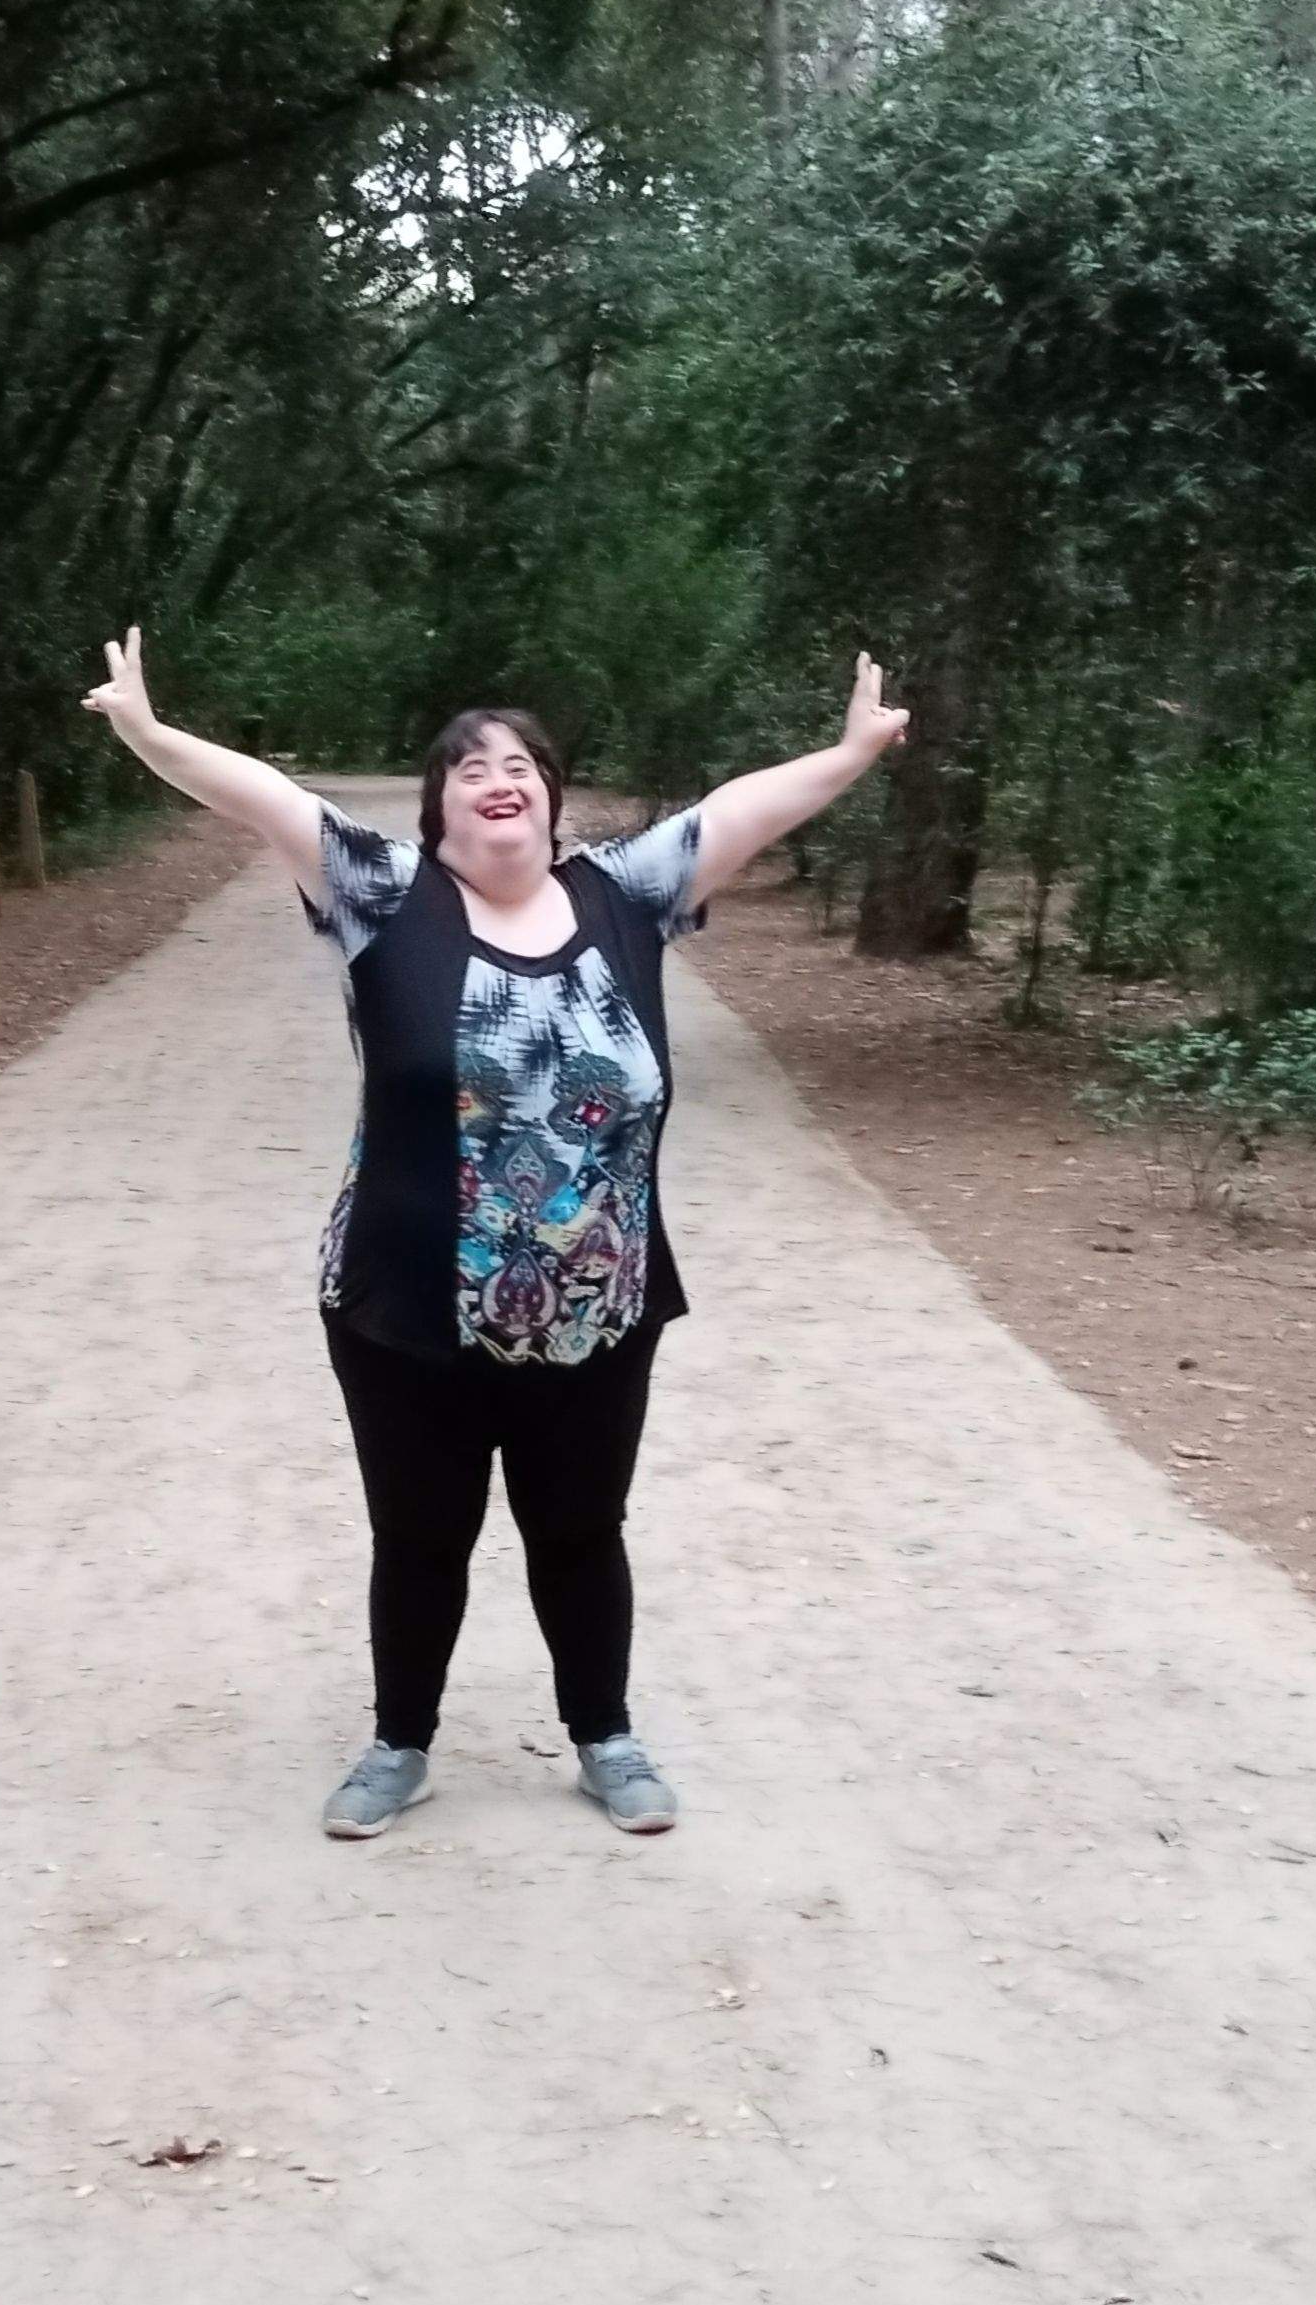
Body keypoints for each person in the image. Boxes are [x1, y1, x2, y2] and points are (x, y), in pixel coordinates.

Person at [81, 628, 908, 1837]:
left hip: (600, 1306)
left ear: (551, 798)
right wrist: (149, 733)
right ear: (439, 810)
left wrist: (849, 753)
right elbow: (263, 795)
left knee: (581, 1531)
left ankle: (604, 1736)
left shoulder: (625, 896)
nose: (496, 774)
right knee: (422, 1536)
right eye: (468, 765)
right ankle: (397, 1742)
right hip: (404, 1306)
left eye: (518, 760)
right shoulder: (383, 897)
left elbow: (743, 810)